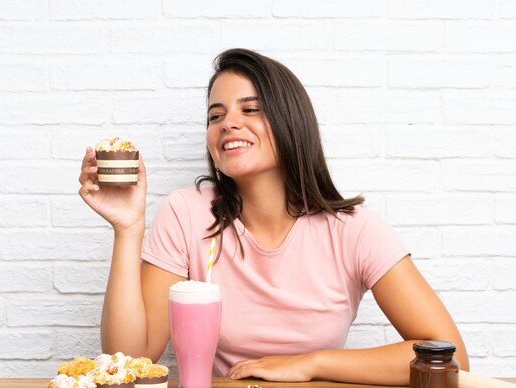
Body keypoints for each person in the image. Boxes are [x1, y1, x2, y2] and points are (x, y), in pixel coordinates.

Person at [78, 48, 469, 385]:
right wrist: (128, 229)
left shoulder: (355, 230)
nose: (228, 123)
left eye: (250, 109)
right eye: (215, 116)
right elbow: (129, 360)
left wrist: (311, 364)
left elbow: (450, 361)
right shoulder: (187, 212)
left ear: (289, 122)